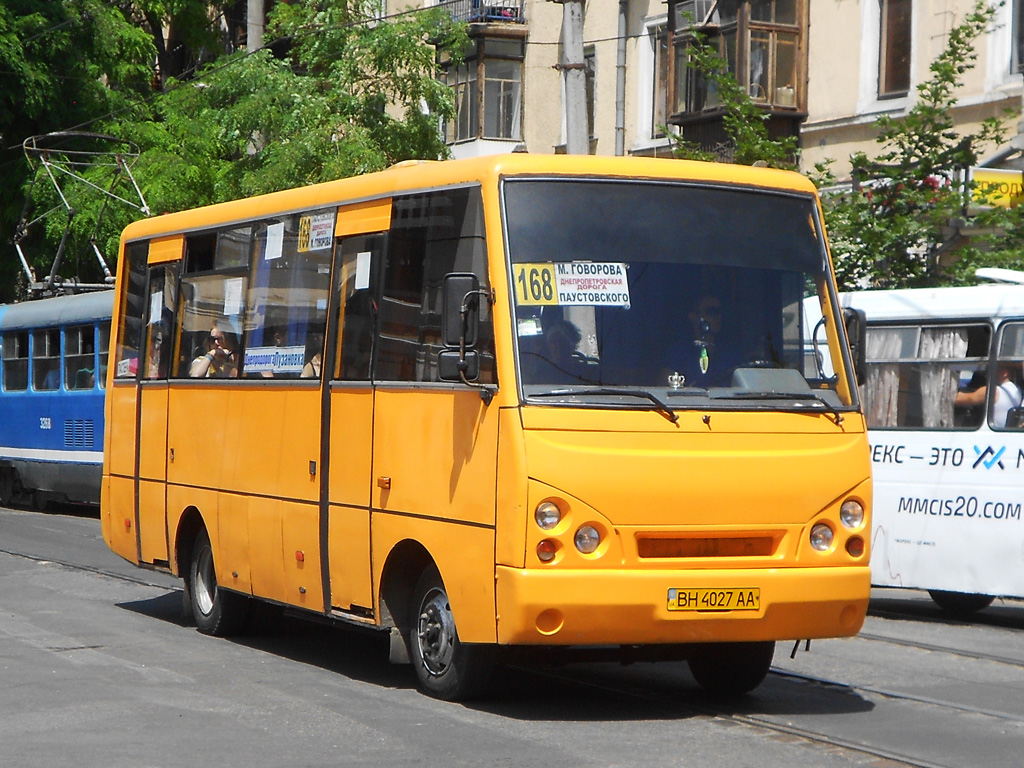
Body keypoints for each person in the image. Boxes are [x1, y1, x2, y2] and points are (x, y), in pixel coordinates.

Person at [955, 364, 1022, 428]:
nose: (987, 374)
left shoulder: (993, 391)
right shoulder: (1017, 390)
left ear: (1005, 373)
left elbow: (958, 400)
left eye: (992, 369)